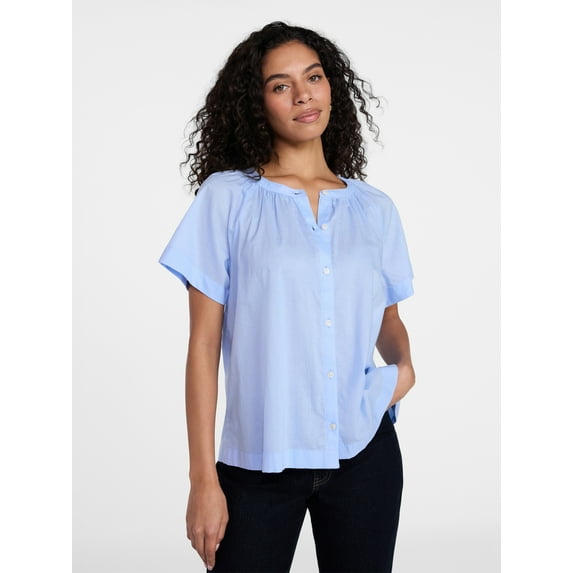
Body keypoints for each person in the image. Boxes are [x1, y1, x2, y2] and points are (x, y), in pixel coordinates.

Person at [159, 21, 415, 573]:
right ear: (257, 104)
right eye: (281, 85)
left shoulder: (374, 209)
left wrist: (404, 368)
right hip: (259, 461)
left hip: (364, 453)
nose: (303, 94)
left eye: (313, 77)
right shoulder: (227, 199)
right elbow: (203, 345)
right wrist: (203, 479)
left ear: (331, 87)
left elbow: (387, 318)